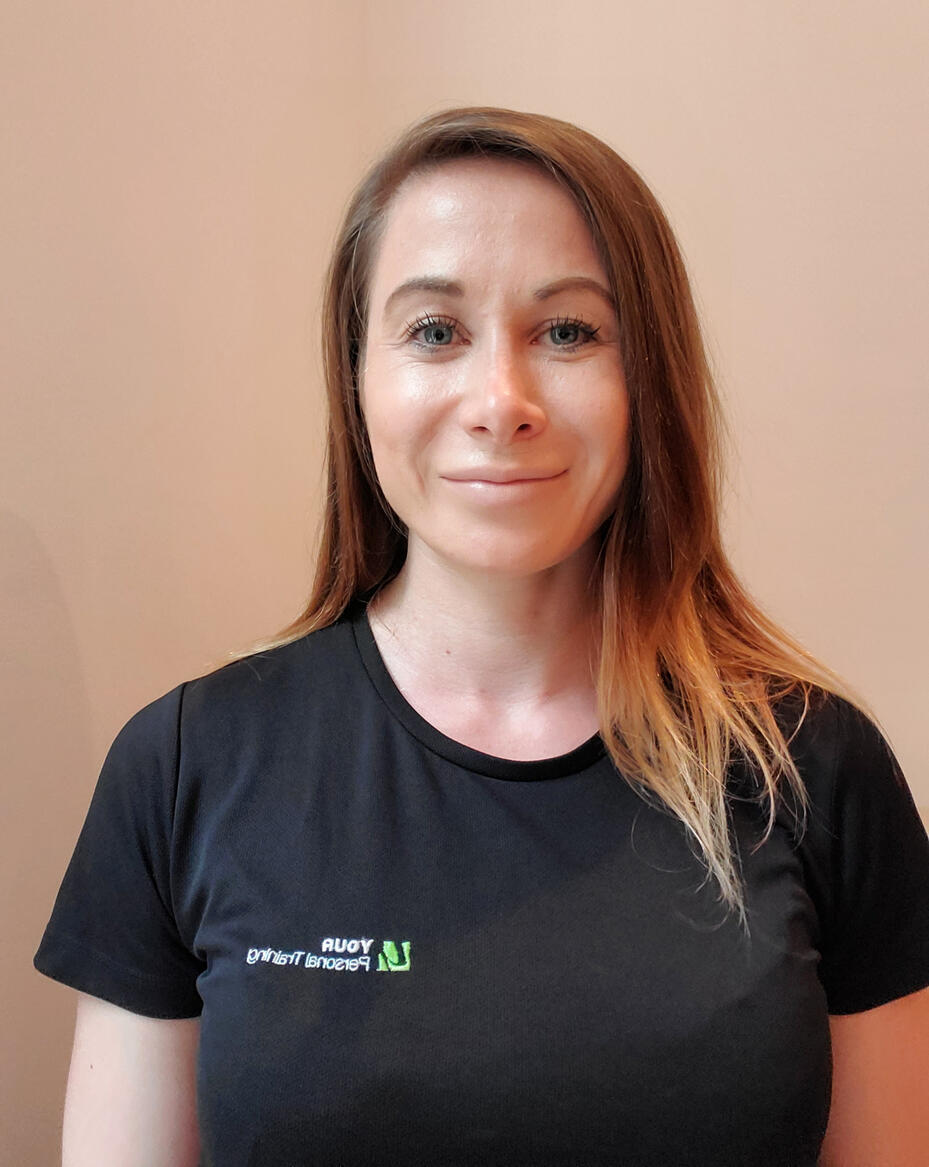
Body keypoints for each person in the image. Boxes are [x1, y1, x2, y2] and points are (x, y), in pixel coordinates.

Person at [35, 106, 929, 1166]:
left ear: (648, 379)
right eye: (433, 331)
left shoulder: (811, 769)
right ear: (356, 379)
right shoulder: (185, 767)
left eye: (568, 332)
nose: (501, 402)